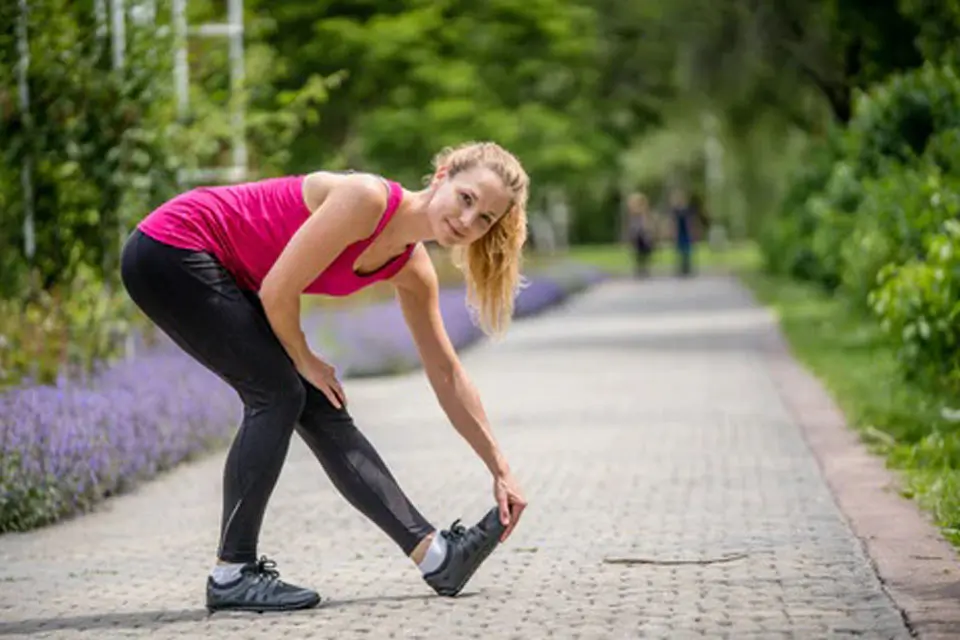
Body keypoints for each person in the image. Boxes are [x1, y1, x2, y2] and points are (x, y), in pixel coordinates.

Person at [119, 141, 530, 614]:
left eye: (484, 219)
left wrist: (499, 468)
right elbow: (277, 290)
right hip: (172, 247)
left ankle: (438, 558)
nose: (468, 219)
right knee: (278, 391)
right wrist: (304, 356)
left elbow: (446, 372)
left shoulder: (413, 269)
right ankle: (232, 572)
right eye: (467, 198)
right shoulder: (366, 199)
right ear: (441, 177)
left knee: (319, 404)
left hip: (219, 268)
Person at [625, 192, 655, 278]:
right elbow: (630, 226)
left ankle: (644, 269)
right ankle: (639, 269)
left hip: (643, 235)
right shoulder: (632, 214)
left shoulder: (644, 213)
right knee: (637, 253)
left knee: (644, 253)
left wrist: (649, 232)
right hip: (636, 235)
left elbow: (647, 224)